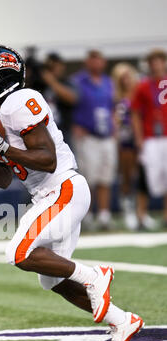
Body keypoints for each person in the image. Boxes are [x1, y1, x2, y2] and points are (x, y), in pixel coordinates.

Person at [0, 44, 144, 341]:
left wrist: (4, 149)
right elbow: (4, 179)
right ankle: (122, 320)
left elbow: (47, 160)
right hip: (45, 195)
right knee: (51, 280)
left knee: (19, 252)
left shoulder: (20, 101)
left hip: (64, 187)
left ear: (0, 78)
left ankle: (94, 275)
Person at [70, 50, 117, 230]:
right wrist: (75, 124)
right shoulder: (78, 81)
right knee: (88, 177)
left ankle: (104, 215)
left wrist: (115, 126)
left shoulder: (108, 82)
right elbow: (71, 105)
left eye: (99, 60)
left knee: (106, 175)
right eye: (93, 59)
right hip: (87, 135)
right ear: (87, 62)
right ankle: (87, 215)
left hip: (106, 134)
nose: (96, 63)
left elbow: (112, 106)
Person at [131, 49, 167, 228]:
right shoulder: (143, 86)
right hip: (151, 136)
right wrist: (139, 137)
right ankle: (141, 215)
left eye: (159, 60)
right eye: (152, 61)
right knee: (145, 177)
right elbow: (135, 113)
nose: (156, 64)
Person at [112, 62, 139, 230]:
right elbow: (114, 118)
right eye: (122, 78)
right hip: (123, 139)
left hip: (139, 137)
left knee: (139, 174)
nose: (126, 81)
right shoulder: (115, 97)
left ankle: (138, 209)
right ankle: (127, 209)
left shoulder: (138, 94)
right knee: (126, 174)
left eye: (128, 77)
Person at [41, 53, 76, 148]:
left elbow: (72, 99)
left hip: (63, 131)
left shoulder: (66, 82)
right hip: (44, 131)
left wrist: (51, 81)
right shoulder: (40, 84)